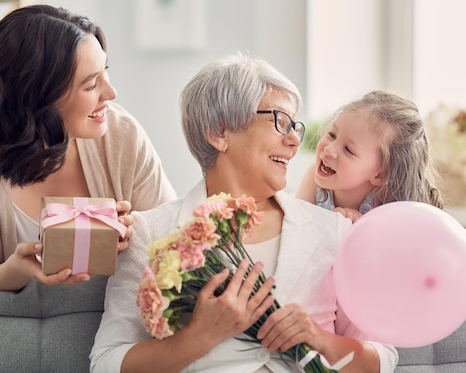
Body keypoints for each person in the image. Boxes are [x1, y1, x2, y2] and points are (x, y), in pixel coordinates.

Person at [90, 54, 398, 372]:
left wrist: (319, 338)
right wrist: (197, 338)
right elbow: (105, 363)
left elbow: (383, 358)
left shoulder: (333, 230)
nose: (294, 141)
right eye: (280, 122)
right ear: (219, 132)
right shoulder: (150, 232)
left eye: (295, 126)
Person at [0, 5, 177, 292]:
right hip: (0, 313)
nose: (111, 93)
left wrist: (137, 233)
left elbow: (169, 243)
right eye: (91, 84)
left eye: (104, 73)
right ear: (39, 97)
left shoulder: (123, 135)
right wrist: (17, 270)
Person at [297, 90, 444, 222]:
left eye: (348, 150)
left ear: (381, 174)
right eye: (332, 135)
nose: (329, 149)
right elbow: (296, 226)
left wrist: (358, 228)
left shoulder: (390, 207)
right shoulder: (314, 176)